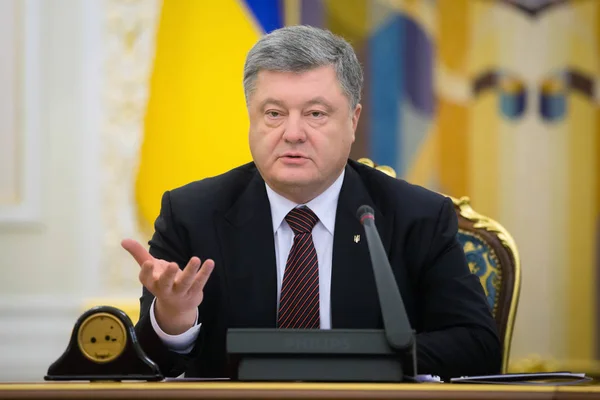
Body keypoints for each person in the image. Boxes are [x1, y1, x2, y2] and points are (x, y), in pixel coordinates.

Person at [122, 25, 501, 381]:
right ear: (251, 120)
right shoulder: (192, 214)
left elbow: (478, 346)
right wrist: (174, 322)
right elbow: (151, 365)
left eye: (315, 114)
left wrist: (353, 359)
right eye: (274, 114)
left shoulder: (415, 217)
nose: (292, 134)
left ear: (353, 122)